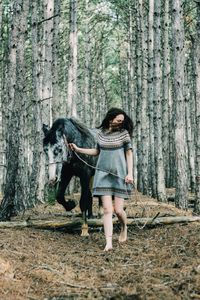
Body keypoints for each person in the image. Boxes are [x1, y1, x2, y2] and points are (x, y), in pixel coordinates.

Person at [69, 107, 134, 251]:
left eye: (122, 121)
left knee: (118, 210)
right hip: (103, 175)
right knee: (107, 209)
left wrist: (130, 173)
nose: (120, 123)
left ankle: (124, 226)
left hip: (120, 175)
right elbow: (96, 151)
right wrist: (78, 149)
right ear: (111, 119)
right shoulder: (101, 134)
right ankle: (108, 242)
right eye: (118, 120)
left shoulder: (124, 134)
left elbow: (129, 154)